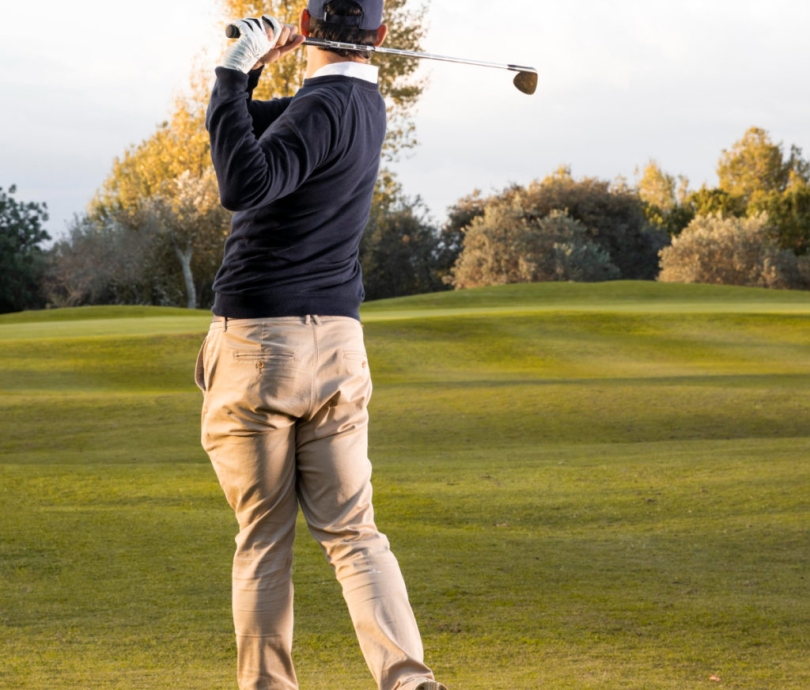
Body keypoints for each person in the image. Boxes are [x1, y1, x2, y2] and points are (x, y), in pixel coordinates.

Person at [195, 2, 447, 689]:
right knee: (354, 533)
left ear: (306, 25)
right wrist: (244, 79)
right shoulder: (362, 107)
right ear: (382, 36)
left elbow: (241, 180)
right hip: (336, 347)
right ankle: (410, 680)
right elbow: (247, 132)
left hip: (259, 346)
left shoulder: (322, 107)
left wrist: (233, 68)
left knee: (263, 540)